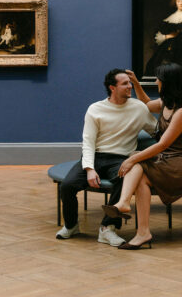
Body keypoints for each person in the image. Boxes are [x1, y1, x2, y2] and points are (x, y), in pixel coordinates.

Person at [103, 63, 182, 250]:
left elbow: (163, 144)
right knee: (141, 179)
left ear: (167, 82)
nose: (156, 81)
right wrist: (136, 84)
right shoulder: (166, 103)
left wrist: (133, 158)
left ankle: (124, 203)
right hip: (170, 158)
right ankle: (142, 231)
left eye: (158, 78)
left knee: (137, 162)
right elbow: (147, 104)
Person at [56, 68, 158, 246]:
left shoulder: (139, 108)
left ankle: (107, 229)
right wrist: (89, 169)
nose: (130, 87)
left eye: (130, 83)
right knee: (67, 186)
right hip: (95, 157)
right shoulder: (95, 109)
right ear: (113, 87)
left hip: (120, 159)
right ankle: (71, 225)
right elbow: (88, 142)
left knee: (125, 181)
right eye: (125, 83)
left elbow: (158, 132)